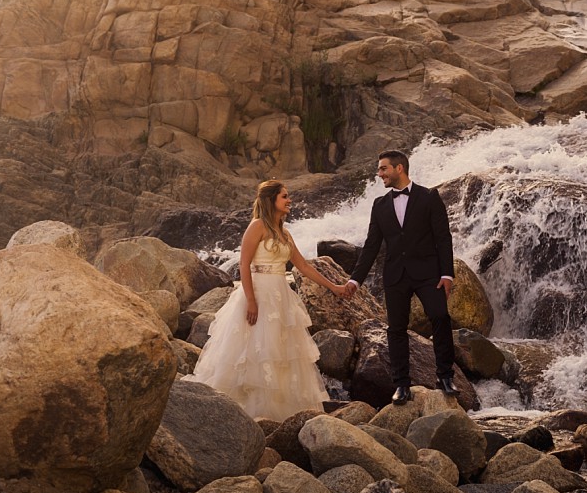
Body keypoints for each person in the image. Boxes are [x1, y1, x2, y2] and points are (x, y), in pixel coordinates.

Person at [184, 179, 346, 421]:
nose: (289, 200)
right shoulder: (257, 226)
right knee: (253, 351)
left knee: (281, 352)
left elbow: (302, 266)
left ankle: (279, 412)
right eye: (284, 196)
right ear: (272, 200)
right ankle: (243, 410)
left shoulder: (284, 232)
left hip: (280, 296)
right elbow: (244, 265)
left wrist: (334, 287)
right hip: (258, 293)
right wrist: (250, 300)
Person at [344, 149, 459, 405]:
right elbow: (372, 245)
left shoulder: (429, 197)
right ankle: (401, 384)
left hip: (428, 273)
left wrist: (446, 273)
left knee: (440, 317)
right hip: (395, 275)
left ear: (399, 168)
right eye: (379, 169)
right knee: (396, 329)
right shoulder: (380, 205)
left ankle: (445, 376)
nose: (379, 174)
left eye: (383, 168)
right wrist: (355, 280)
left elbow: (443, 237)